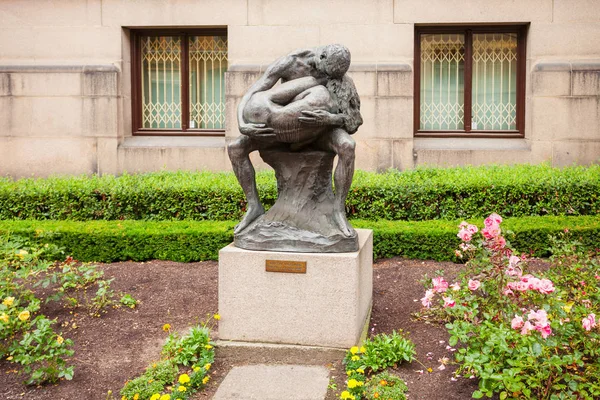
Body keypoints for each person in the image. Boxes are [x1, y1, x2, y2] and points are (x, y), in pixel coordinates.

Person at [228, 44, 363, 236]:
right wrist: (242, 123)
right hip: (283, 129)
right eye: (328, 74)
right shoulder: (290, 63)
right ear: (322, 57)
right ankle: (253, 206)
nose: (330, 79)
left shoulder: (338, 74)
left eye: (334, 77)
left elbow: (354, 119)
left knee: (348, 146)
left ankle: (338, 210)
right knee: (235, 148)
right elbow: (250, 94)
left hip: (320, 130)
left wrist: (329, 119)